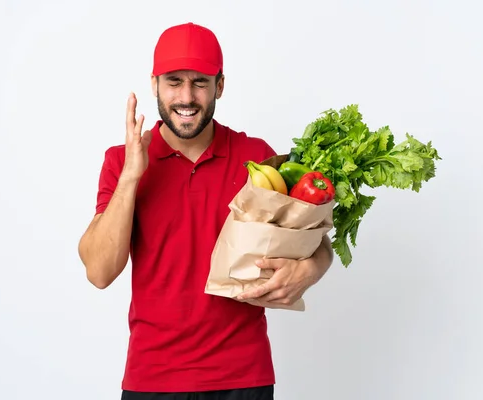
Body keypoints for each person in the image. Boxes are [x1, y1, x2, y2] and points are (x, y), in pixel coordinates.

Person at [78, 22, 334, 400]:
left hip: (243, 377)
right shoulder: (122, 161)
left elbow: (315, 240)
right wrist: (133, 176)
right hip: (153, 378)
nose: (186, 96)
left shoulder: (256, 157)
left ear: (220, 85)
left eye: (199, 82)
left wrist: (310, 270)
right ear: (154, 85)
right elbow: (99, 272)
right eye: (174, 81)